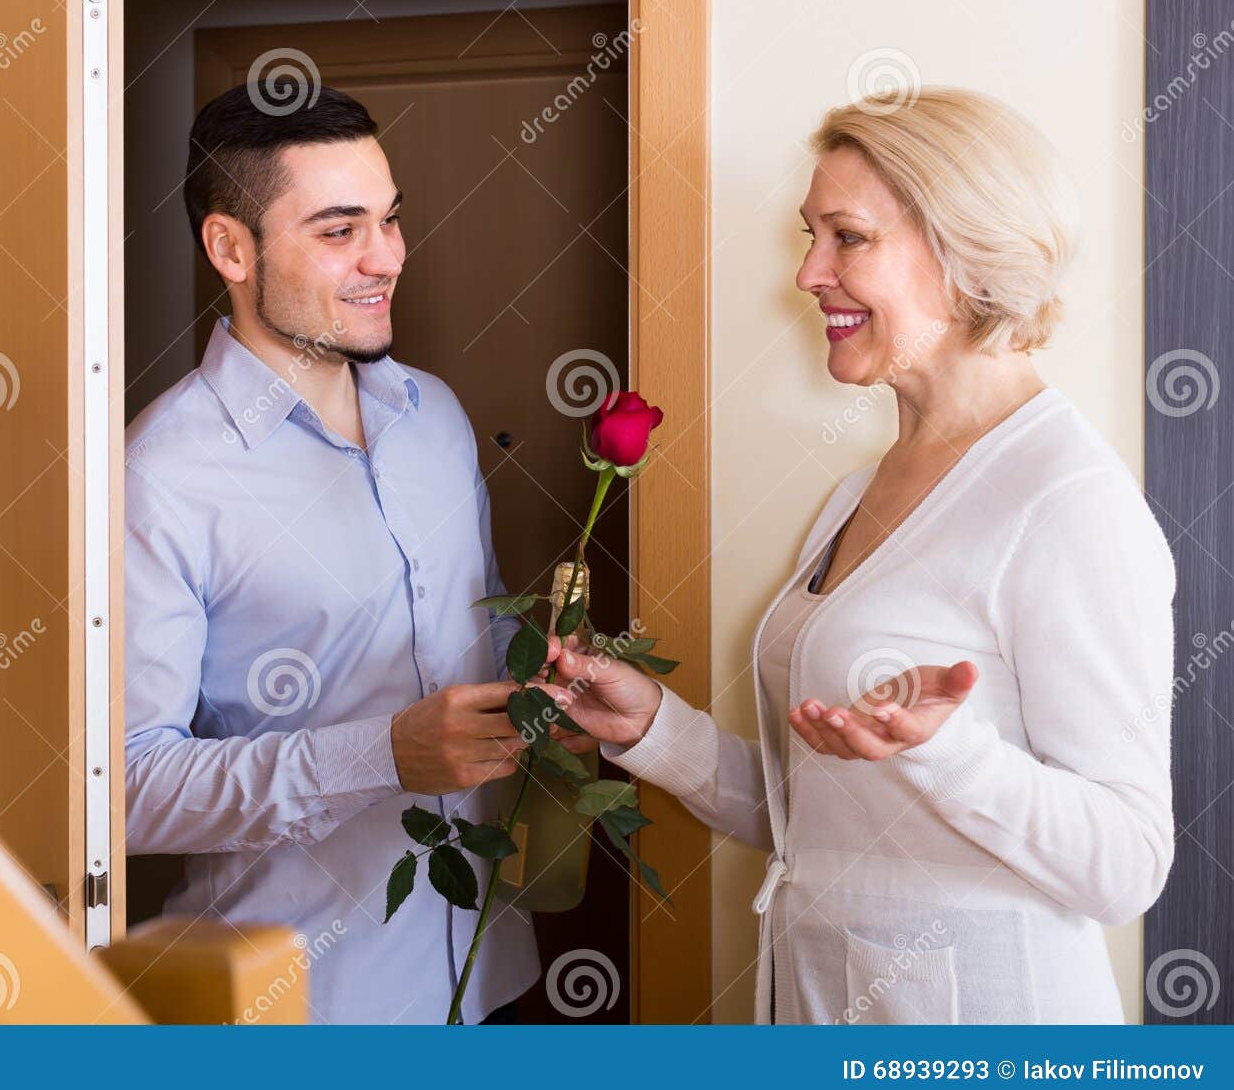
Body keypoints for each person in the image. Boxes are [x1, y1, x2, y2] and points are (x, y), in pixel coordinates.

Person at [539, 87, 1176, 1024]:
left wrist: (951, 754)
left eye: (847, 237)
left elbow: (1126, 863)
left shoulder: (1067, 499)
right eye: (811, 235)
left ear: (964, 254)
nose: (808, 274)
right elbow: (814, 817)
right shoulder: (860, 490)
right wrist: (652, 730)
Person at [122, 85, 574, 1023]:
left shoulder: (436, 418)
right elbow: (123, 787)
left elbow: (478, 644)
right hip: (313, 1012)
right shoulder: (158, 475)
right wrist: (382, 754)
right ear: (230, 249)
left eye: (391, 219)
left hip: (490, 980)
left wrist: (552, 693)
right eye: (340, 231)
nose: (388, 259)